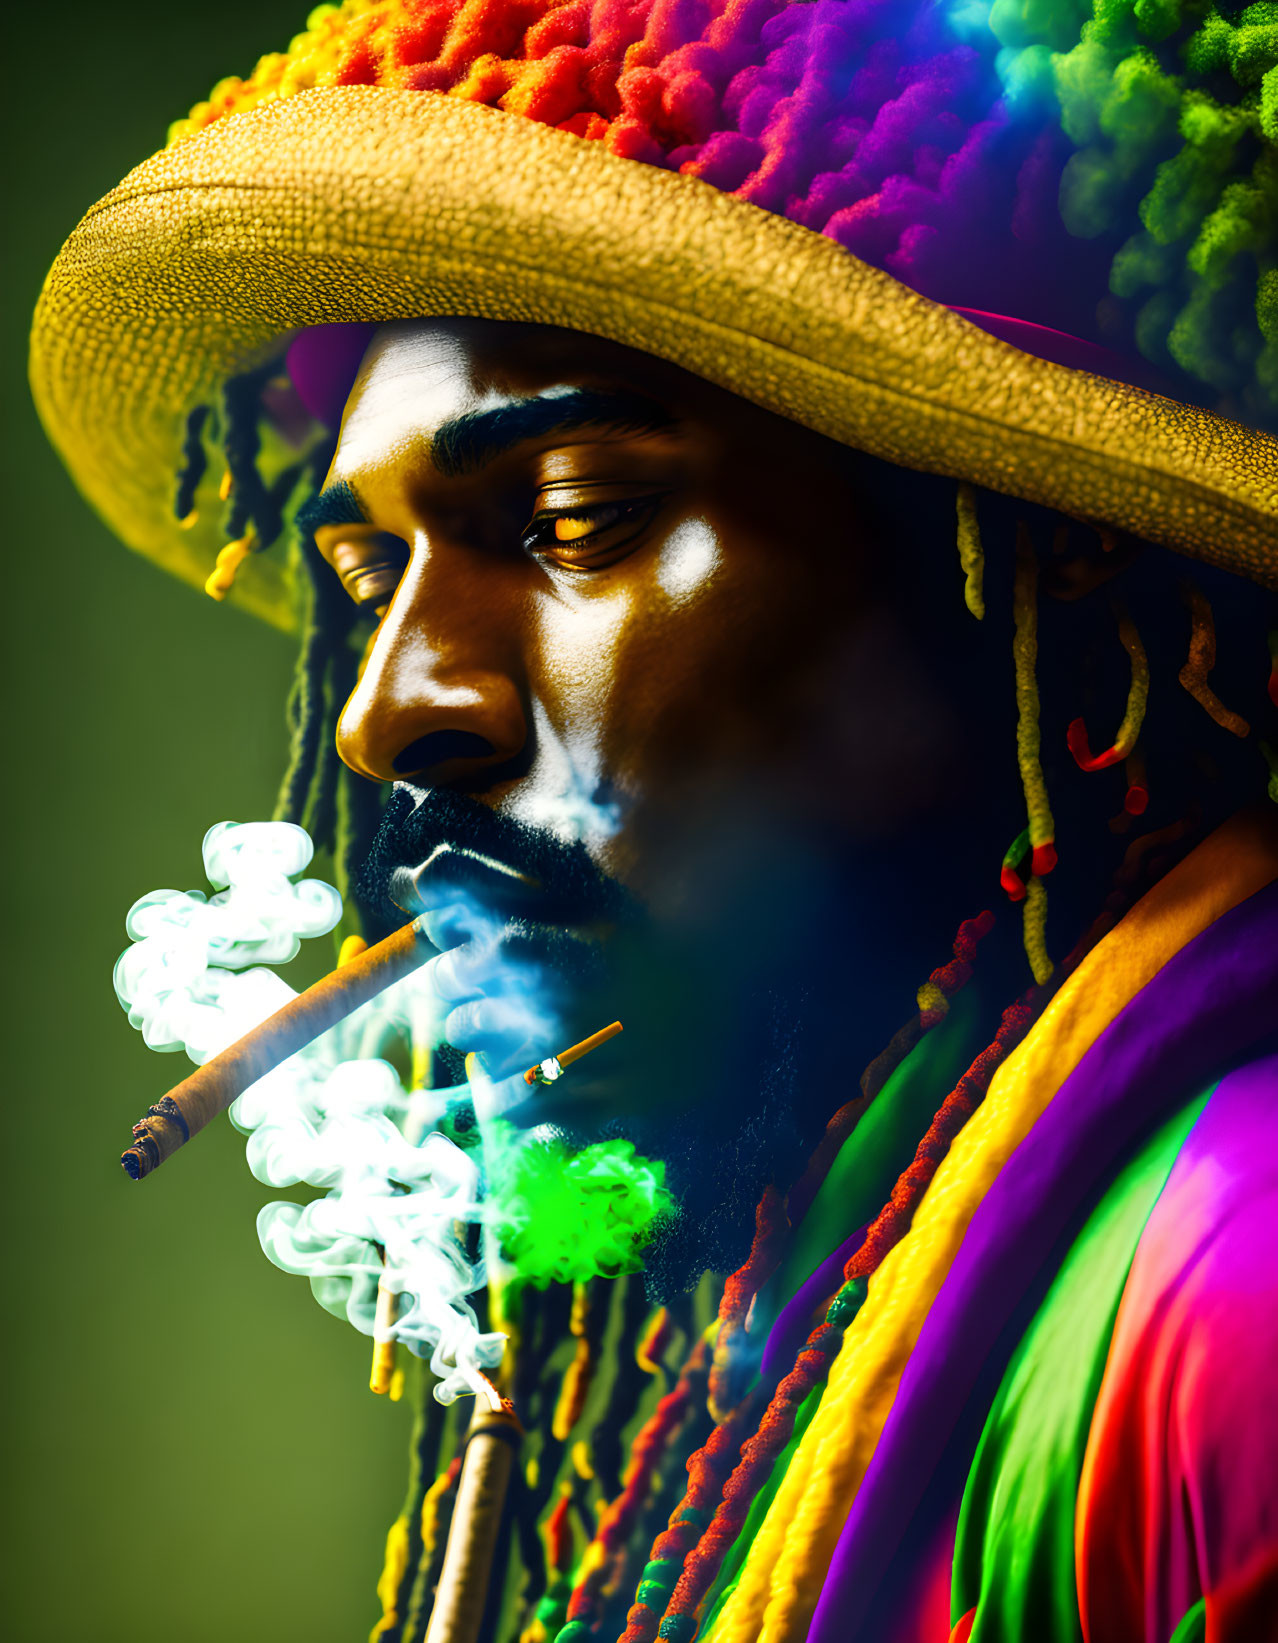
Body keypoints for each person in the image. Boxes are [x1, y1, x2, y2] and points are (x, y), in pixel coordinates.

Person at [30, 3, 1278, 1642]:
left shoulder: (1230, 1294)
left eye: (569, 519)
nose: (385, 711)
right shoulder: (754, 1323)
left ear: (1038, 556)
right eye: (363, 579)